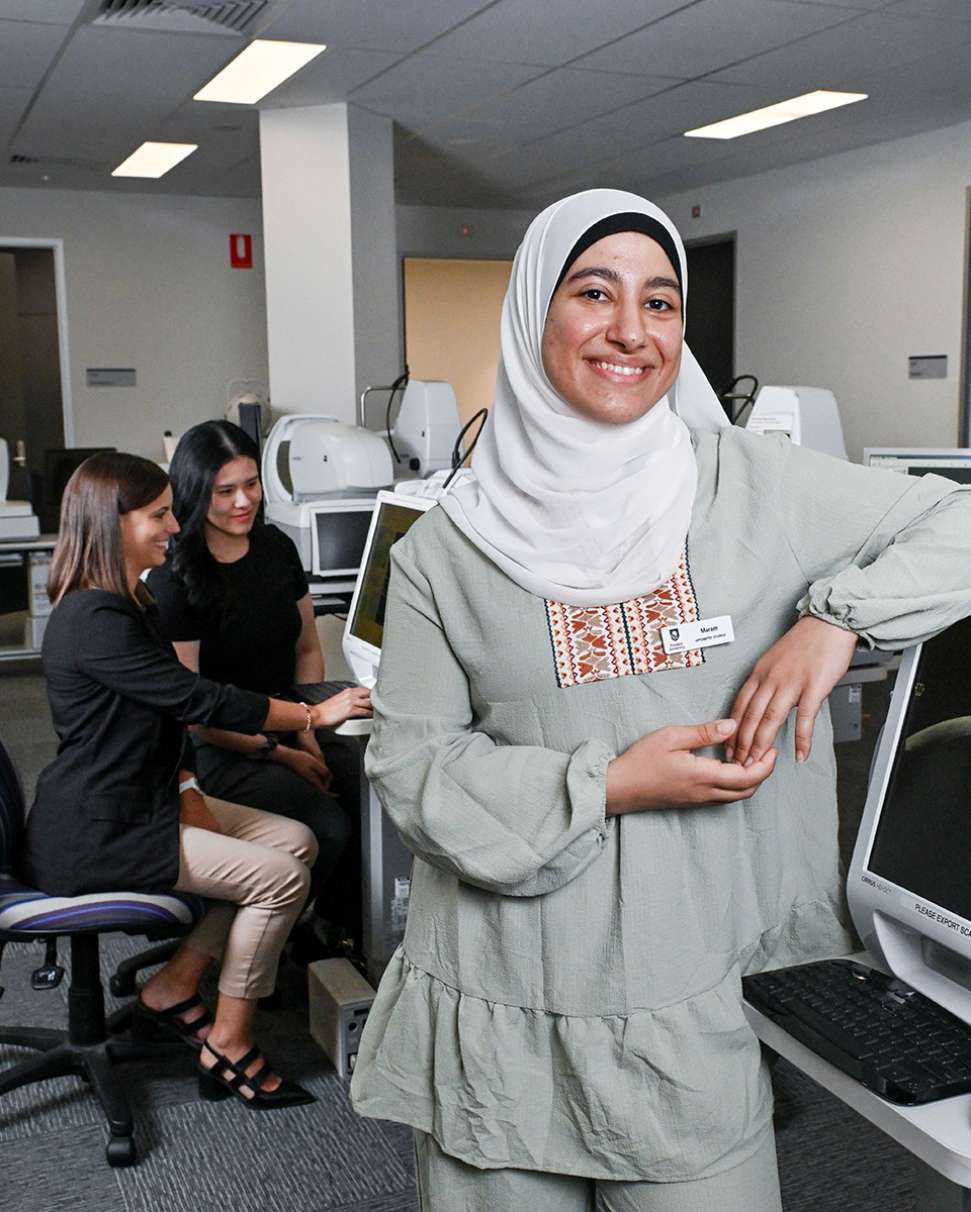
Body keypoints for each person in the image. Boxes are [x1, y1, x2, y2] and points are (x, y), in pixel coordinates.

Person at [349, 189, 971, 1209]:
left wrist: (838, 618)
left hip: (692, 1007)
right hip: (505, 1005)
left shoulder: (756, 486)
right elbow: (410, 768)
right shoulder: (445, 550)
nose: (630, 331)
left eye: (660, 302)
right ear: (532, 312)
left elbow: (956, 520)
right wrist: (610, 784)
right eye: (593, 293)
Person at [20, 452, 368, 1109]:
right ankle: (229, 1041)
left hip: (143, 799)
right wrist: (311, 715)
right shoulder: (95, 620)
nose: (175, 526)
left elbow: (163, 719)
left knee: (296, 841)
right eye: (157, 515)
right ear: (110, 524)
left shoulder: (129, 601)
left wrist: (185, 789)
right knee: (280, 877)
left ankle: (175, 984)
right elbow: (198, 701)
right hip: (100, 829)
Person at [146, 421, 370, 955]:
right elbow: (195, 709)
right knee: (328, 824)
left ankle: (335, 934)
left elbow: (307, 648)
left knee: (374, 792)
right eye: (226, 491)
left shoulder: (276, 548)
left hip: (290, 722)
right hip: (218, 744)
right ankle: (267, 941)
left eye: (251, 483)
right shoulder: (174, 577)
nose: (244, 501)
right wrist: (283, 751)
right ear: (197, 494)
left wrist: (308, 732)